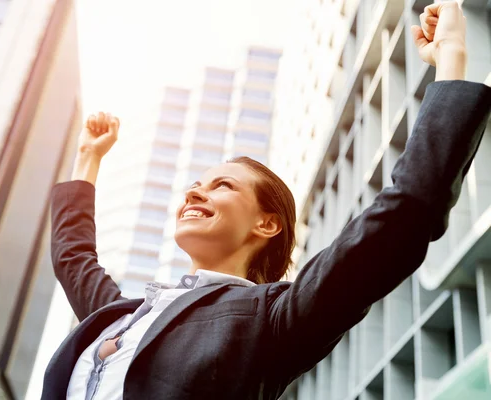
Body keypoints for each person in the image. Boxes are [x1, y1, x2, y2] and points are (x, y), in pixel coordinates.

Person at [42, 2, 491, 399]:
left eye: (223, 185)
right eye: (197, 183)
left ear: (267, 224)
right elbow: (72, 257)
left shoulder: (272, 320)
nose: (194, 191)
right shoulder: (121, 316)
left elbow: (404, 214)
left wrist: (451, 59)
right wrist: (88, 158)